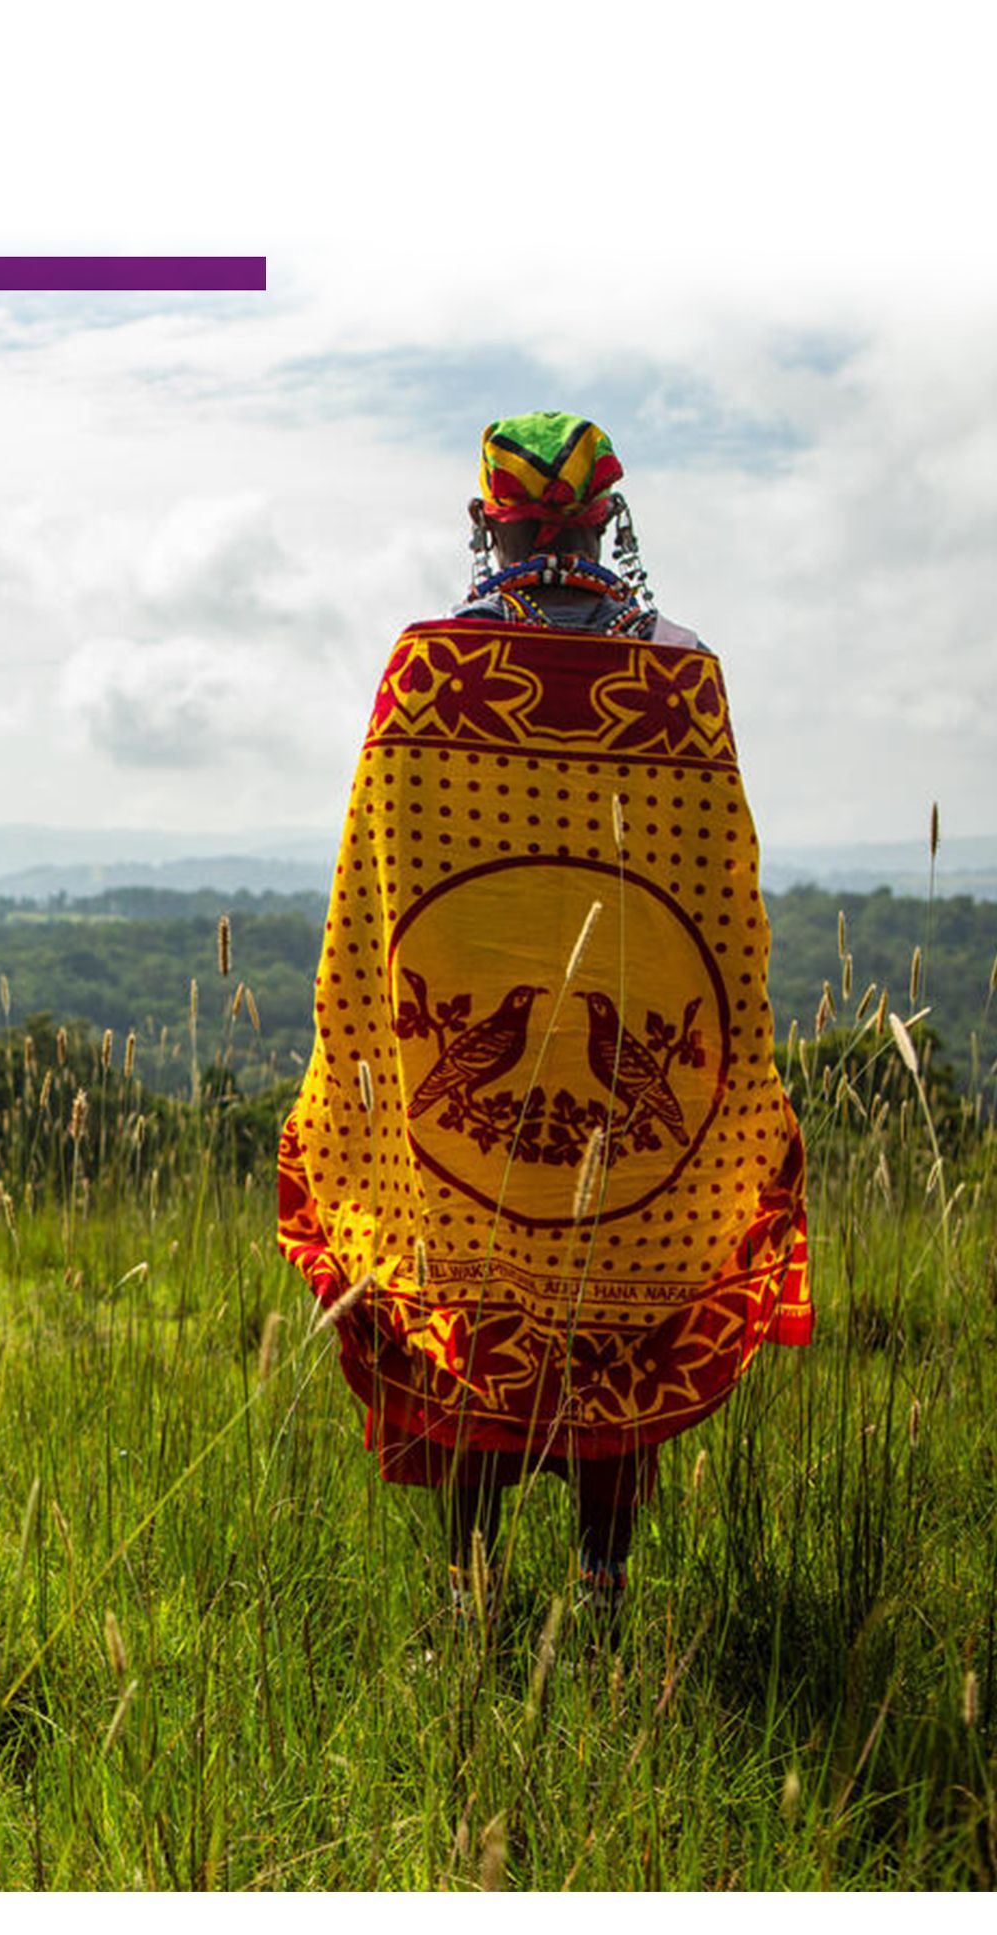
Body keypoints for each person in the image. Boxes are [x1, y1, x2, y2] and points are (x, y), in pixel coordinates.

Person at [276, 412, 811, 1629]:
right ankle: (602, 1596)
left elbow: (375, 899)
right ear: (605, 521)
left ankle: (469, 1601)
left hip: (460, 1109)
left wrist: (366, 1063)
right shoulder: (681, 674)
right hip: (639, 1112)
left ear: (485, 520)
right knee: (618, 1310)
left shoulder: (428, 665)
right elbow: (724, 906)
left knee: (462, 1327)